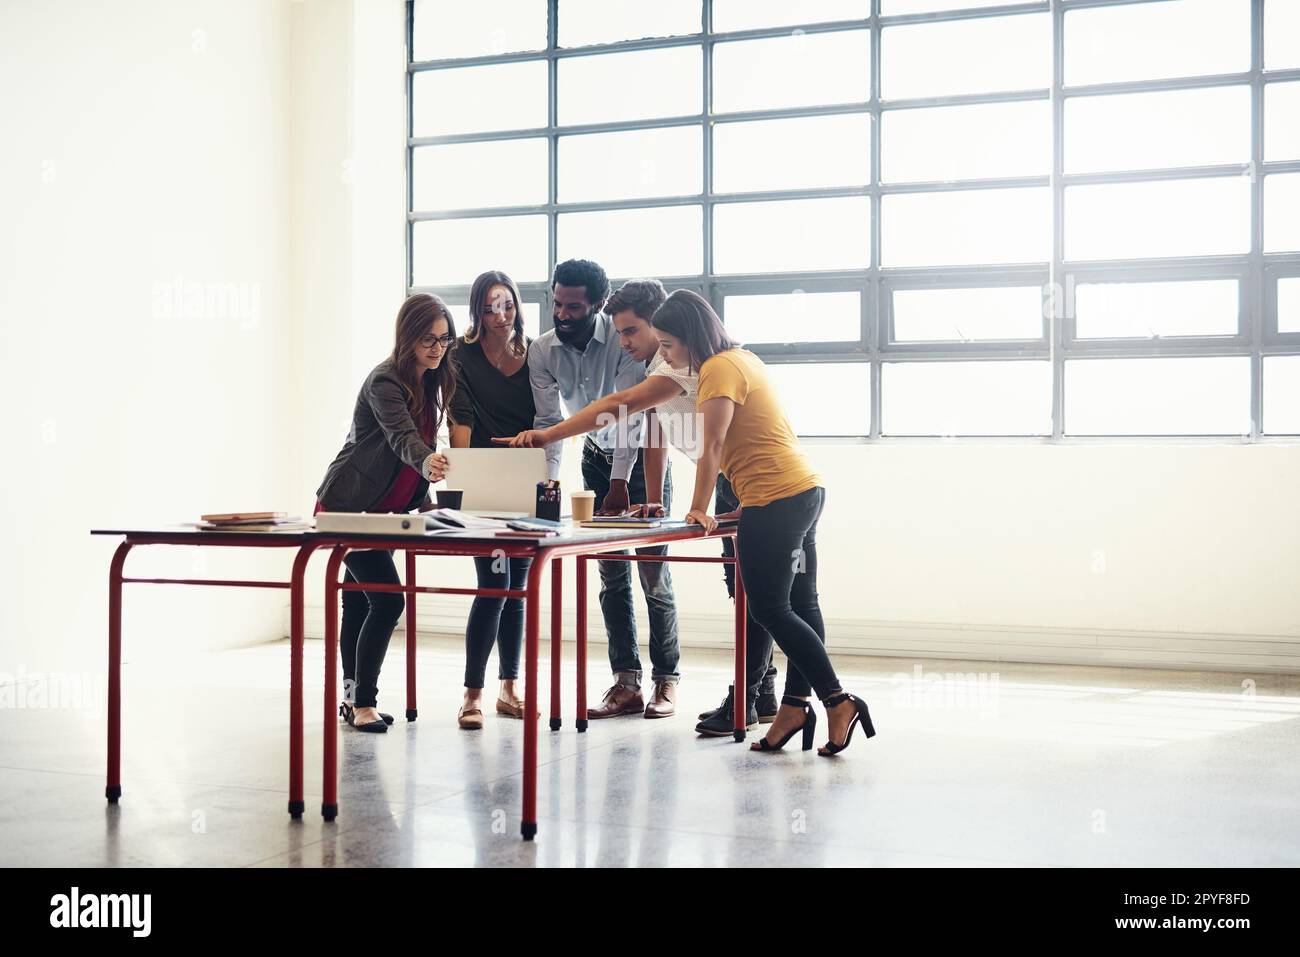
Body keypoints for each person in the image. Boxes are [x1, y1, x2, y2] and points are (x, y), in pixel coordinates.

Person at [498, 279, 779, 734]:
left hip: (750, 480)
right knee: (744, 588)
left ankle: (739, 692)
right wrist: (650, 497)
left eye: (631, 332)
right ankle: (758, 691)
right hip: (734, 476)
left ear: (660, 325)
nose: (623, 341)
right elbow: (653, 431)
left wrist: (691, 503)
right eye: (620, 331)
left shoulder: (683, 363)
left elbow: (626, 408)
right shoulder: (665, 364)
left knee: (751, 589)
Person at [651, 289, 876, 756]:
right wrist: (742, 504)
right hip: (803, 490)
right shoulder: (744, 359)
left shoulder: (716, 369)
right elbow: (755, 439)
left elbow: (711, 445)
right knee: (801, 603)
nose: (666, 356)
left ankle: (837, 700)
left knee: (768, 609)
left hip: (775, 499)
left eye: (669, 345)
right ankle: (795, 706)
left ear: (690, 336)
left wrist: (699, 508)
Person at [525, 260, 682, 719]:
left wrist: (621, 482)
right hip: (596, 457)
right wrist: (549, 486)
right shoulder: (542, 351)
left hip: (638, 461)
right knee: (611, 575)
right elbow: (549, 425)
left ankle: (666, 680)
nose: (563, 314)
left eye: (574, 306)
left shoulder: (624, 339)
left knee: (653, 575)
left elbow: (630, 413)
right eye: (557, 303)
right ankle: (625, 683)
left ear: (595, 305)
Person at [315, 294, 454, 733]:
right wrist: (429, 462)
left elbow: (411, 448)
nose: (437, 348)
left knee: (359, 602)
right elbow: (402, 438)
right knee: (388, 599)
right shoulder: (385, 381)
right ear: (408, 336)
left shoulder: (432, 380)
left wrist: (422, 493)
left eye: (444, 340)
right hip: (348, 508)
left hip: (385, 511)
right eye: (428, 339)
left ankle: (352, 701)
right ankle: (362, 704)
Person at [447, 270, 537, 730]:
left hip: (528, 478)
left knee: (516, 588)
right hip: (482, 481)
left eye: (507, 305)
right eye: (489, 308)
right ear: (476, 311)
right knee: (492, 585)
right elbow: (459, 417)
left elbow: (546, 416)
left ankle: (509, 688)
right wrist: (463, 482)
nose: (500, 316)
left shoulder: (534, 351)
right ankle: (472, 694)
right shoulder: (460, 353)